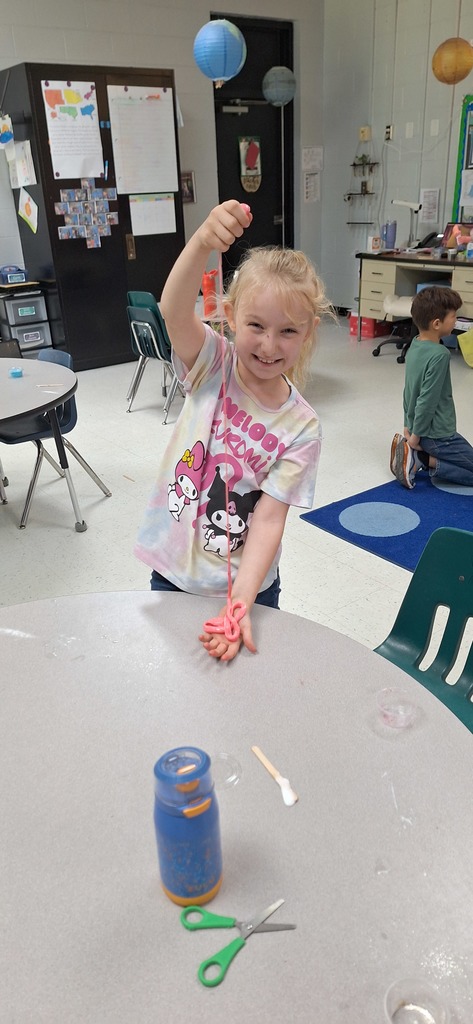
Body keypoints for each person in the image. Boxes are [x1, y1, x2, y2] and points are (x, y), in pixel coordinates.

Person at [135, 199, 332, 661]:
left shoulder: (302, 427)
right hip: (174, 571)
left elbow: (267, 520)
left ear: (308, 333)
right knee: (174, 675)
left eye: (288, 331)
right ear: (229, 316)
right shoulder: (213, 363)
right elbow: (172, 309)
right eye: (256, 325)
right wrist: (204, 240)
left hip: (249, 589)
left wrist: (240, 604)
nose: (268, 345)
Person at [390, 285, 473, 489]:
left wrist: (408, 426)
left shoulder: (416, 345)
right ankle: (422, 459)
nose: (456, 320)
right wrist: (415, 440)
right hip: (438, 437)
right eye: (454, 316)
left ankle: (423, 458)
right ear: (437, 323)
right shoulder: (440, 355)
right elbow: (427, 400)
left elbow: (409, 392)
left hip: (423, 432)